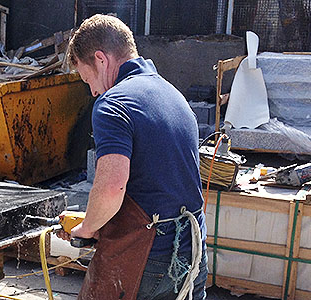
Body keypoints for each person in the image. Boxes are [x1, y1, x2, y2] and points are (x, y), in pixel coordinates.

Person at [59, 14, 208, 300]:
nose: (92, 90)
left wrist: (87, 228)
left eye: (87, 79)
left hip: (146, 260)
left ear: (101, 60)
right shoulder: (174, 95)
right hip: (193, 251)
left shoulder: (113, 104)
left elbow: (112, 189)